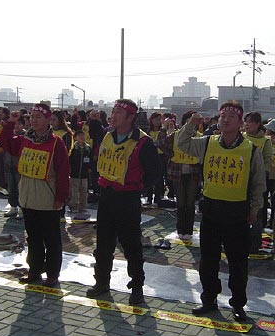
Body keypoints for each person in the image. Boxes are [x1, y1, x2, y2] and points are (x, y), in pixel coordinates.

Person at [176, 101, 266, 322]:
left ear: (241, 123)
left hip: (237, 212)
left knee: (237, 262)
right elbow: (182, 144)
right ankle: (209, 300)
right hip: (212, 210)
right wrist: (191, 124)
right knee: (208, 260)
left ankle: (237, 304)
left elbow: (258, 183)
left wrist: (255, 208)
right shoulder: (207, 143)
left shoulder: (251, 149)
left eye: (231, 117)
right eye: (222, 116)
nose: (225, 120)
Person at [86, 99, 160, 305]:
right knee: (103, 243)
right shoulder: (108, 136)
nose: (114, 115)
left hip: (128, 198)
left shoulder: (143, 142)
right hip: (107, 196)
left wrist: (135, 186)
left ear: (131, 117)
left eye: (119, 112)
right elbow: (95, 140)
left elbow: (153, 173)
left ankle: (137, 286)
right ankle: (102, 282)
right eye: (113, 111)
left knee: (131, 245)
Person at [0, 105, 70, 287]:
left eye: (39, 117)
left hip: (48, 198)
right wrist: (10, 124)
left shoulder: (56, 143)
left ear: (48, 120)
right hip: (28, 197)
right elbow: (6, 143)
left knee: (52, 239)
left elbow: (63, 172)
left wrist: (61, 198)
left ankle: (53, 275)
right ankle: (35, 271)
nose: (34, 120)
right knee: (33, 238)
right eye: (32, 116)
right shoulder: (25, 140)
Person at [158, 110, 202, 240]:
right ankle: (180, 229)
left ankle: (188, 230)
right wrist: (164, 128)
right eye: (190, 120)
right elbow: (160, 144)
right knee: (181, 202)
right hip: (178, 172)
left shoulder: (200, 136)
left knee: (190, 203)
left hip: (193, 173)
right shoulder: (175, 135)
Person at [243, 111, 273, 253]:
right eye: (245, 121)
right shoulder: (241, 138)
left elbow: (268, 162)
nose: (247, 124)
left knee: (257, 211)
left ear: (257, 124)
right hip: (240, 181)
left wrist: (260, 175)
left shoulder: (265, 141)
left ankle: (255, 243)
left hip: (257, 182)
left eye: (250, 121)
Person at [0, 115, 26, 219]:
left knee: (20, 189)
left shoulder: (26, 136)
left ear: (24, 125)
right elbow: (1, 145)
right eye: (15, 123)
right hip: (9, 165)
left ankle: (22, 209)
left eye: (19, 124)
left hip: (20, 167)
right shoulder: (9, 135)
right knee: (11, 188)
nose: (16, 126)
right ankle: (13, 207)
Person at [68, 129, 92, 213]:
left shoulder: (88, 148)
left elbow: (91, 159)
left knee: (83, 192)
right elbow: (69, 160)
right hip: (74, 173)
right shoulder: (73, 148)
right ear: (75, 138)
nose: (82, 137)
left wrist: (90, 167)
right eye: (79, 135)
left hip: (84, 174)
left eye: (83, 135)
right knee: (73, 192)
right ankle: (73, 207)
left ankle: (83, 207)